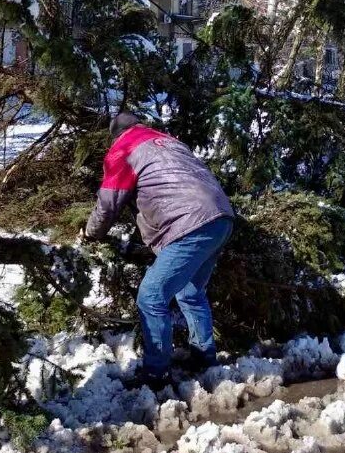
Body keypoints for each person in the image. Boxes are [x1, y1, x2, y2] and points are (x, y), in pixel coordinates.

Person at [84, 113, 235, 390]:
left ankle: (156, 375)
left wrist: (90, 233)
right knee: (190, 292)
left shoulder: (124, 149)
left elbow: (108, 204)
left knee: (151, 296)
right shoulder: (170, 142)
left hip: (189, 224)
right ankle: (204, 358)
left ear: (116, 134)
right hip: (221, 219)